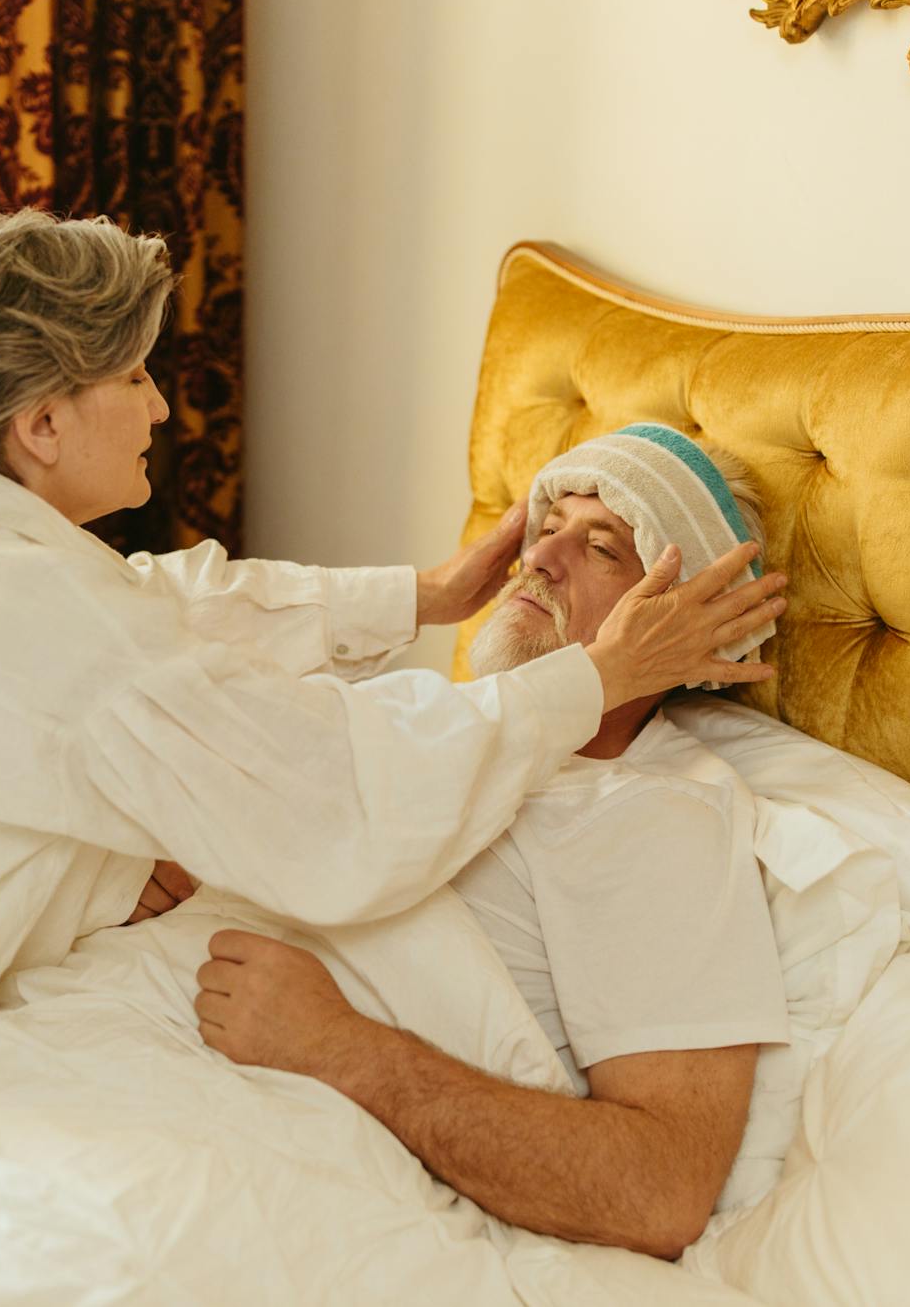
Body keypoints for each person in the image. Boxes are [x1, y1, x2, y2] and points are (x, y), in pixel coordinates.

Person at [0, 214, 789, 1215]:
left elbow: (153, 612)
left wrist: (435, 595)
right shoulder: (56, 630)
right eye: (137, 379)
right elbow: (331, 801)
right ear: (43, 422)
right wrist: (587, 680)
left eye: (598, 541)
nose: (166, 404)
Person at [192, 425, 790, 1260]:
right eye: (547, 529)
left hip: (270, 1143)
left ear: (681, 623)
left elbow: (660, 1188)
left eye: (602, 547)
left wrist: (338, 1047)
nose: (540, 558)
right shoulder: (433, 720)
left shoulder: (655, 815)